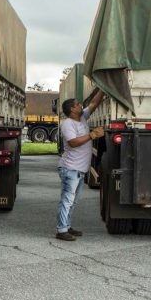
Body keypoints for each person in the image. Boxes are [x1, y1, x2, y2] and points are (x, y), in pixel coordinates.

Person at [55, 90, 105, 241]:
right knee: (67, 200)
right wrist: (91, 135)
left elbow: (94, 104)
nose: (80, 105)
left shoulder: (82, 117)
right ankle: (61, 230)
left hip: (78, 170)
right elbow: (73, 142)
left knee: (73, 201)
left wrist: (102, 89)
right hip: (70, 169)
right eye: (77, 104)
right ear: (72, 109)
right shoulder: (68, 124)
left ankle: (67, 225)